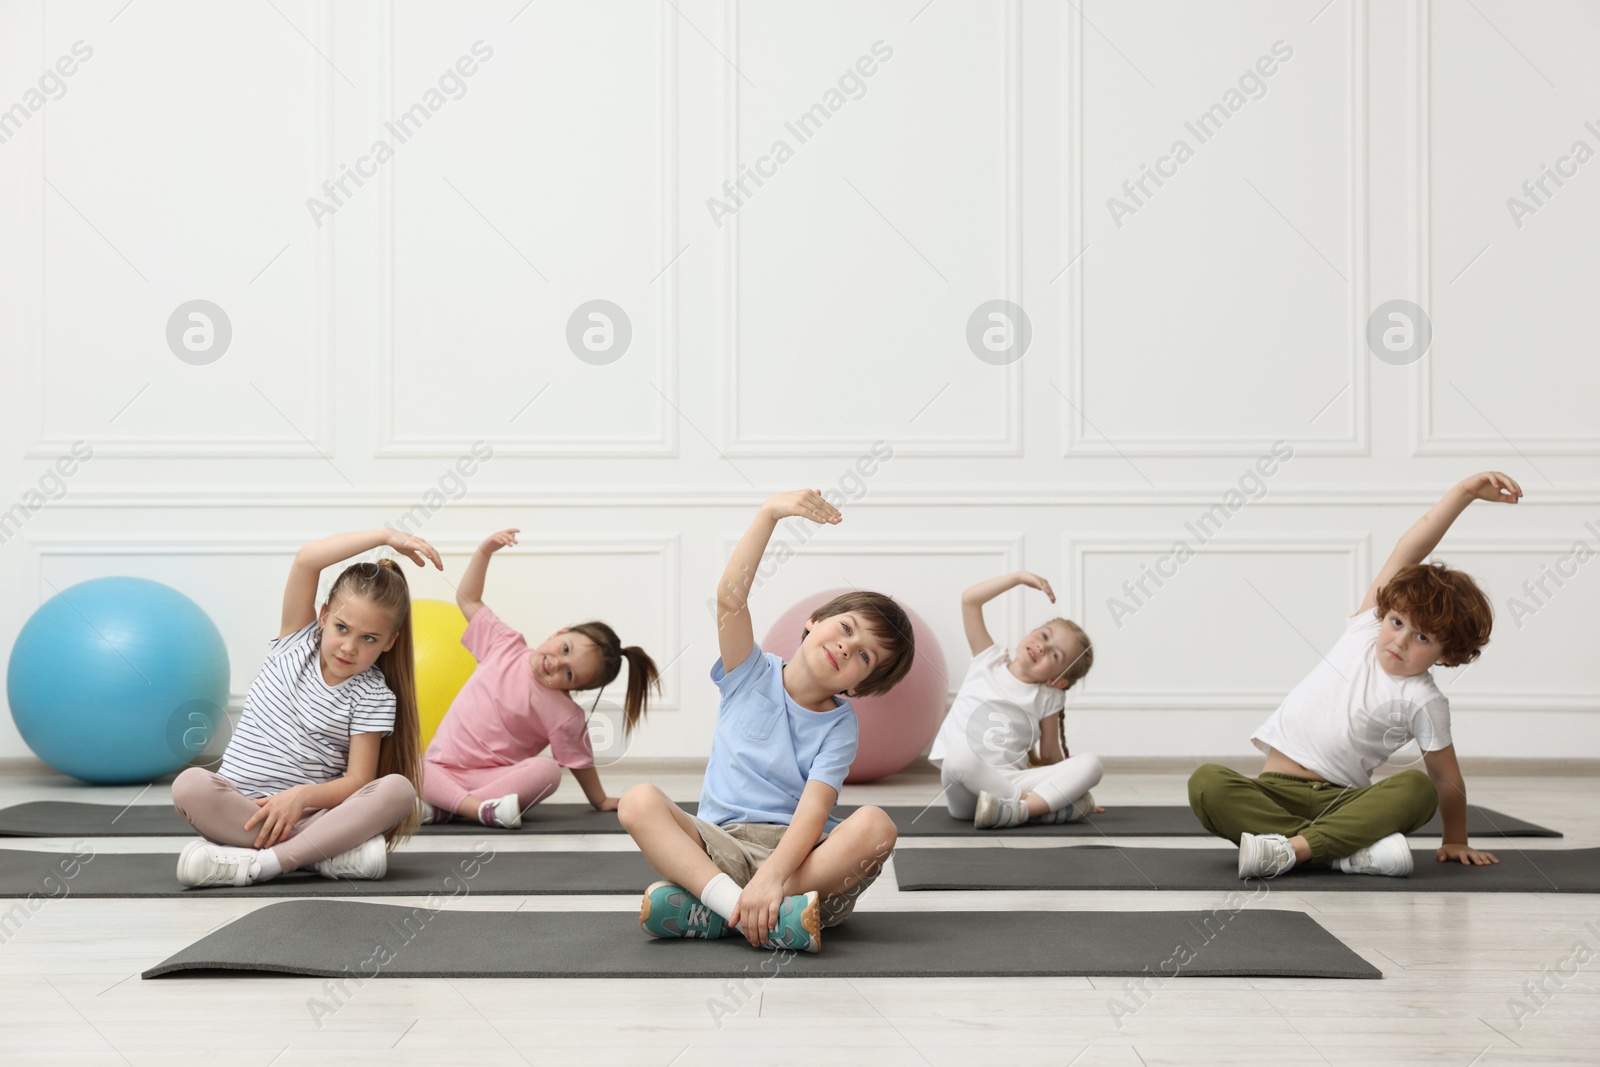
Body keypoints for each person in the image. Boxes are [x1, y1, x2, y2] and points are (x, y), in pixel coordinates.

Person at [617, 489, 916, 953]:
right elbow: (729, 599)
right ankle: (743, 909)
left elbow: (814, 811)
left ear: (858, 686)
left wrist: (774, 876)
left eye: (864, 656)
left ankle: (722, 911)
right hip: (719, 846)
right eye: (847, 629)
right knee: (637, 801)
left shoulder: (840, 726)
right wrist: (770, 513)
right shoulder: (749, 673)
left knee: (877, 826)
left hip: (797, 863)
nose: (846, 647)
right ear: (814, 622)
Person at [1189, 471, 1521, 879]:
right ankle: (1333, 853)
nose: (1399, 641)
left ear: (1447, 652)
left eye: (1421, 637)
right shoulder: (1365, 628)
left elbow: (1444, 776)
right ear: (1385, 613)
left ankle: (1290, 849)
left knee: (1416, 790)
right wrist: (1464, 493)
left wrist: (1454, 839)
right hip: (1272, 792)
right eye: (1397, 622)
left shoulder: (1425, 700)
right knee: (1207, 782)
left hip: (1344, 802)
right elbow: (1409, 548)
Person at [171, 530, 437, 887]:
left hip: (310, 816)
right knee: (189, 784)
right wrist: (386, 535)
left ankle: (262, 864)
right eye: (342, 628)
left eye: (368, 639)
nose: (349, 647)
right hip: (241, 810)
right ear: (324, 615)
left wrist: (301, 796)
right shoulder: (295, 640)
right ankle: (318, 856)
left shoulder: (374, 694)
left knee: (399, 791)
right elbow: (307, 560)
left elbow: (359, 780)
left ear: (389, 642)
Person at [420, 528, 659, 828]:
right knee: (407, 764)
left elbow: (579, 763)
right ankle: (474, 808)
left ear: (575, 689)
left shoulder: (565, 715)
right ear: (559, 632)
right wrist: (485, 551)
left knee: (547, 772)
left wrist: (599, 800)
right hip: (439, 768)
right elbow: (468, 599)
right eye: (565, 649)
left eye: (569, 674)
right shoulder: (503, 644)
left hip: (491, 778)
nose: (556, 664)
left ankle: (448, 806)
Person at [929, 570, 1103, 829]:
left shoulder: (1048, 696)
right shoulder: (987, 660)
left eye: (1055, 656)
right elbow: (970, 601)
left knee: (1092, 764)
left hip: (1012, 780)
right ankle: (1035, 807)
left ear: (1058, 681)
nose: (1043, 647)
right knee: (959, 757)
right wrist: (1018, 578)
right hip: (967, 792)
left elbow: (1051, 754)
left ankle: (1020, 809)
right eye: (1044, 636)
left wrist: (1068, 786)